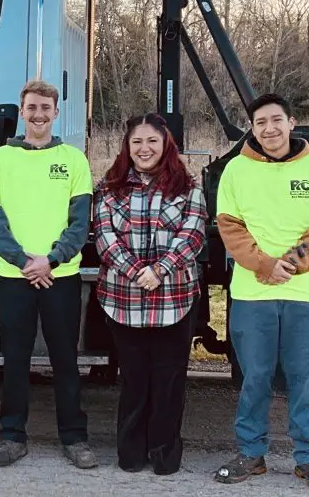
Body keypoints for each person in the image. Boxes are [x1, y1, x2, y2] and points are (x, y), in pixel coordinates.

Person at [214, 93, 309, 494]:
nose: (268, 129)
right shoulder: (236, 170)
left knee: (304, 379)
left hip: (307, 296)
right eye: (259, 123)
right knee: (255, 378)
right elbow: (230, 227)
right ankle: (251, 453)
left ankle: (308, 457)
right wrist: (265, 265)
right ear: (252, 129)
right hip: (253, 296)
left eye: (275, 120)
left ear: (291, 122)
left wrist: (291, 264)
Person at [0, 79, 97, 470]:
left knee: (66, 359)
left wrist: (51, 260)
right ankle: (12, 437)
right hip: (14, 277)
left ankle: (74, 438)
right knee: (14, 358)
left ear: (56, 113)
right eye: (31, 107)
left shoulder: (74, 159)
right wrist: (22, 261)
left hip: (60, 275)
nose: (38, 115)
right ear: (22, 111)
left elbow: (80, 222)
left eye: (45, 108)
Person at [94, 113, 207, 475]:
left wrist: (159, 270)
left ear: (165, 145)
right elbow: (104, 237)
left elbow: (192, 236)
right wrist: (135, 272)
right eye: (137, 142)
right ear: (127, 147)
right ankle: (130, 452)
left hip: (175, 299)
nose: (144, 149)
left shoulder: (188, 188)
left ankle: (164, 454)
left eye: (152, 141)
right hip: (122, 301)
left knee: (169, 381)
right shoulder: (110, 188)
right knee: (134, 380)